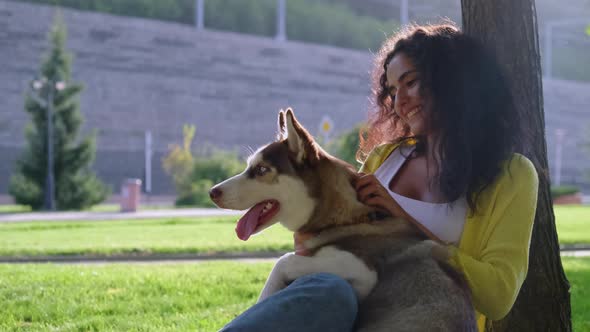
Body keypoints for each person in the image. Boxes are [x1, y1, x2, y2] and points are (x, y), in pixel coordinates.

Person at [220, 23, 538, 332]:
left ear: (452, 80)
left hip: (424, 318)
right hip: (350, 310)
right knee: (327, 290)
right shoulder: (383, 160)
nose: (399, 101)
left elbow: (498, 296)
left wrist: (405, 223)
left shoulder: (512, 175)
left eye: (410, 82)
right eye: (392, 90)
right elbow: (340, 241)